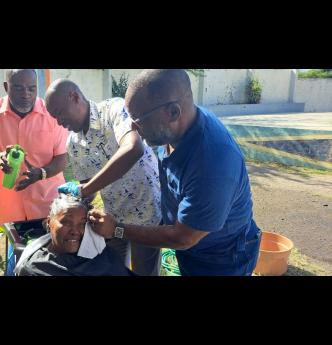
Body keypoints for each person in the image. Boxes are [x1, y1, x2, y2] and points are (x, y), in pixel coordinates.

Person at [88, 69, 262, 276]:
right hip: (194, 249)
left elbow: (182, 238)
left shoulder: (212, 163)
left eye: (139, 119)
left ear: (173, 112)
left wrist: (117, 229)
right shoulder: (174, 130)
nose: (133, 127)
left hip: (222, 259)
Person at [44, 79, 162, 276]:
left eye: (59, 112)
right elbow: (87, 191)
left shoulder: (113, 110)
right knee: (111, 268)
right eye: (54, 117)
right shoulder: (73, 143)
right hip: (113, 217)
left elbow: (133, 149)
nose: (58, 122)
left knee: (144, 272)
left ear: (74, 97)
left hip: (146, 212)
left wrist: (85, 189)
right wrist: (73, 202)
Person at [0, 69, 68, 275]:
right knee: (19, 261)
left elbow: (62, 157)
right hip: (12, 207)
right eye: (18, 88)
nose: (26, 94)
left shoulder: (51, 113)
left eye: (32, 88)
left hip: (48, 204)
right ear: (6, 87)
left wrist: (41, 173)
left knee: (53, 263)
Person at [14, 194, 133, 276]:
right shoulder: (35, 268)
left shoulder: (101, 255)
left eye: (82, 223)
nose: (74, 231)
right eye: (66, 222)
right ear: (49, 222)